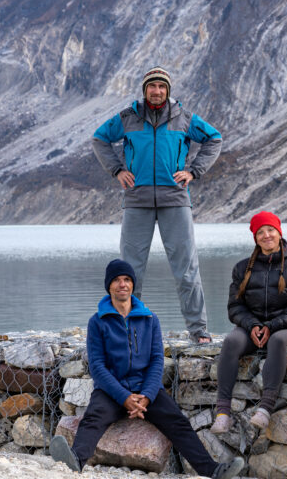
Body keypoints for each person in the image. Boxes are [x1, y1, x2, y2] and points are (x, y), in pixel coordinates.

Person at [49, 260, 243, 478]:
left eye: (127, 279)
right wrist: (124, 397)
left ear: (133, 284)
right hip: (111, 391)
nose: (122, 284)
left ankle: (213, 470)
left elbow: (157, 360)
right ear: (109, 286)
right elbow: (97, 367)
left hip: (146, 390)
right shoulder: (97, 322)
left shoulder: (149, 319)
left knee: (178, 421)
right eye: (116, 280)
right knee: (93, 418)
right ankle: (75, 461)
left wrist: (147, 396)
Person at [92, 66, 221, 343]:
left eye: (162, 87)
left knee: (186, 268)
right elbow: (99, 138)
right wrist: (117, 170)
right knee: (129, 271)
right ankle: (125, 329)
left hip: (175, 198)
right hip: (136, 199)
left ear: (168, 90)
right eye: (152, 86)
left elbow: (214, 138)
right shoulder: (128, 117)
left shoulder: (184, 118)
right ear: (145, 89)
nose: (157, 91)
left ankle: (198, 330)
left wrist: (193, 171)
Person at [210, 211, 287, 433]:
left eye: (270, 230)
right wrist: (252, 325)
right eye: (260, 232)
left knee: (277, 340)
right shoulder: (242, 268)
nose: (266, 235)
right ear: (255, 238)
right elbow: (235, 307)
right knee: (231, 342)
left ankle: (265, 408)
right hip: (252, 328)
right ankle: (223, 412)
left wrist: (271, 326)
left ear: (279, 233)